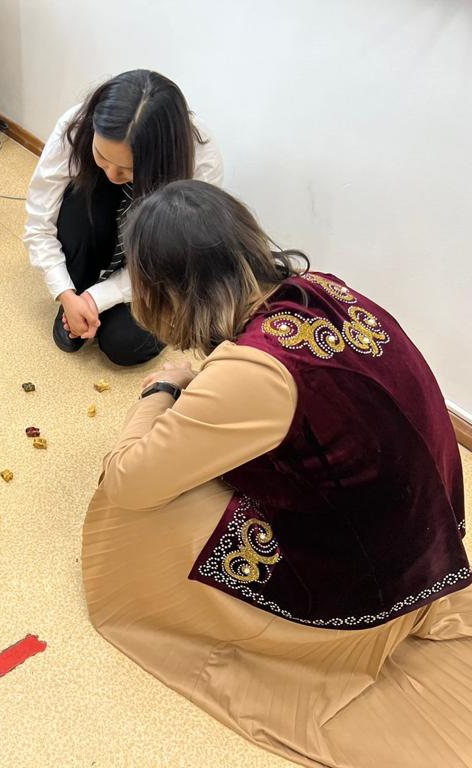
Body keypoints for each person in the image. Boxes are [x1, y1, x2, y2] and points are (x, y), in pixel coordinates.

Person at [82, 180, 472, 767]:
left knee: (137, 511)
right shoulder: (321, 288)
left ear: (164, 292)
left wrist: (160, 390)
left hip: (365, 588)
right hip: (427, 542)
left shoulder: (251, 373)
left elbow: (128, 481)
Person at [24, 70, 224, 366]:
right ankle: (81, 284)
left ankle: (98, 297)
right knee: (81, 194)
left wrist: (97, 298)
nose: (112, 174)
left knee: (125, 344)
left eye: (129, 169)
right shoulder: (76, 124)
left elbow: (178, 260)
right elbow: (39, 222)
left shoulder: (201, 158)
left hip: (154, 263)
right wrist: (66, 293)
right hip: (99, 232)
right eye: (102, 157)